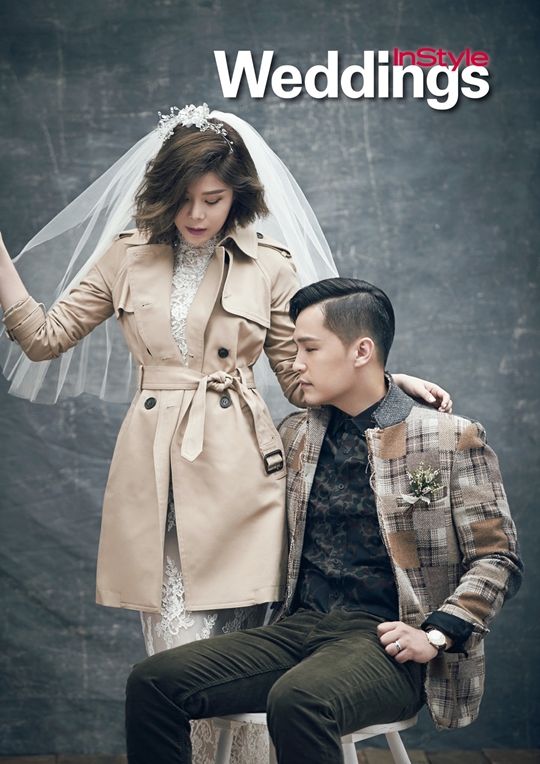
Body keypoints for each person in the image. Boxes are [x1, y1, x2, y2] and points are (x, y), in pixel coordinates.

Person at [0, 107, 450, 762]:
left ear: (237, 194)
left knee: (246, 670)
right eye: (183, 198)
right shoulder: (127, 254)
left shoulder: (269, 264)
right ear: (163, 192)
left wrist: (380, 378)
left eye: (212, 199)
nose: (196, 214)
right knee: (176, 658)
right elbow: (43, 338)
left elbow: (301, 380)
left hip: (245, 481)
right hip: (155, 476)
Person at [124, 277, 522, 764]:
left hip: (389, 644)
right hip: (299, 628)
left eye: (309, 349)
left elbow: (498, 559)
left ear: (361, 351)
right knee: (152, 681)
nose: (295, 363)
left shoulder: (449, 438)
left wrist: (436, 634)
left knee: (299, 700)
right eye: (295, 348)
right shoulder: (295, 434)